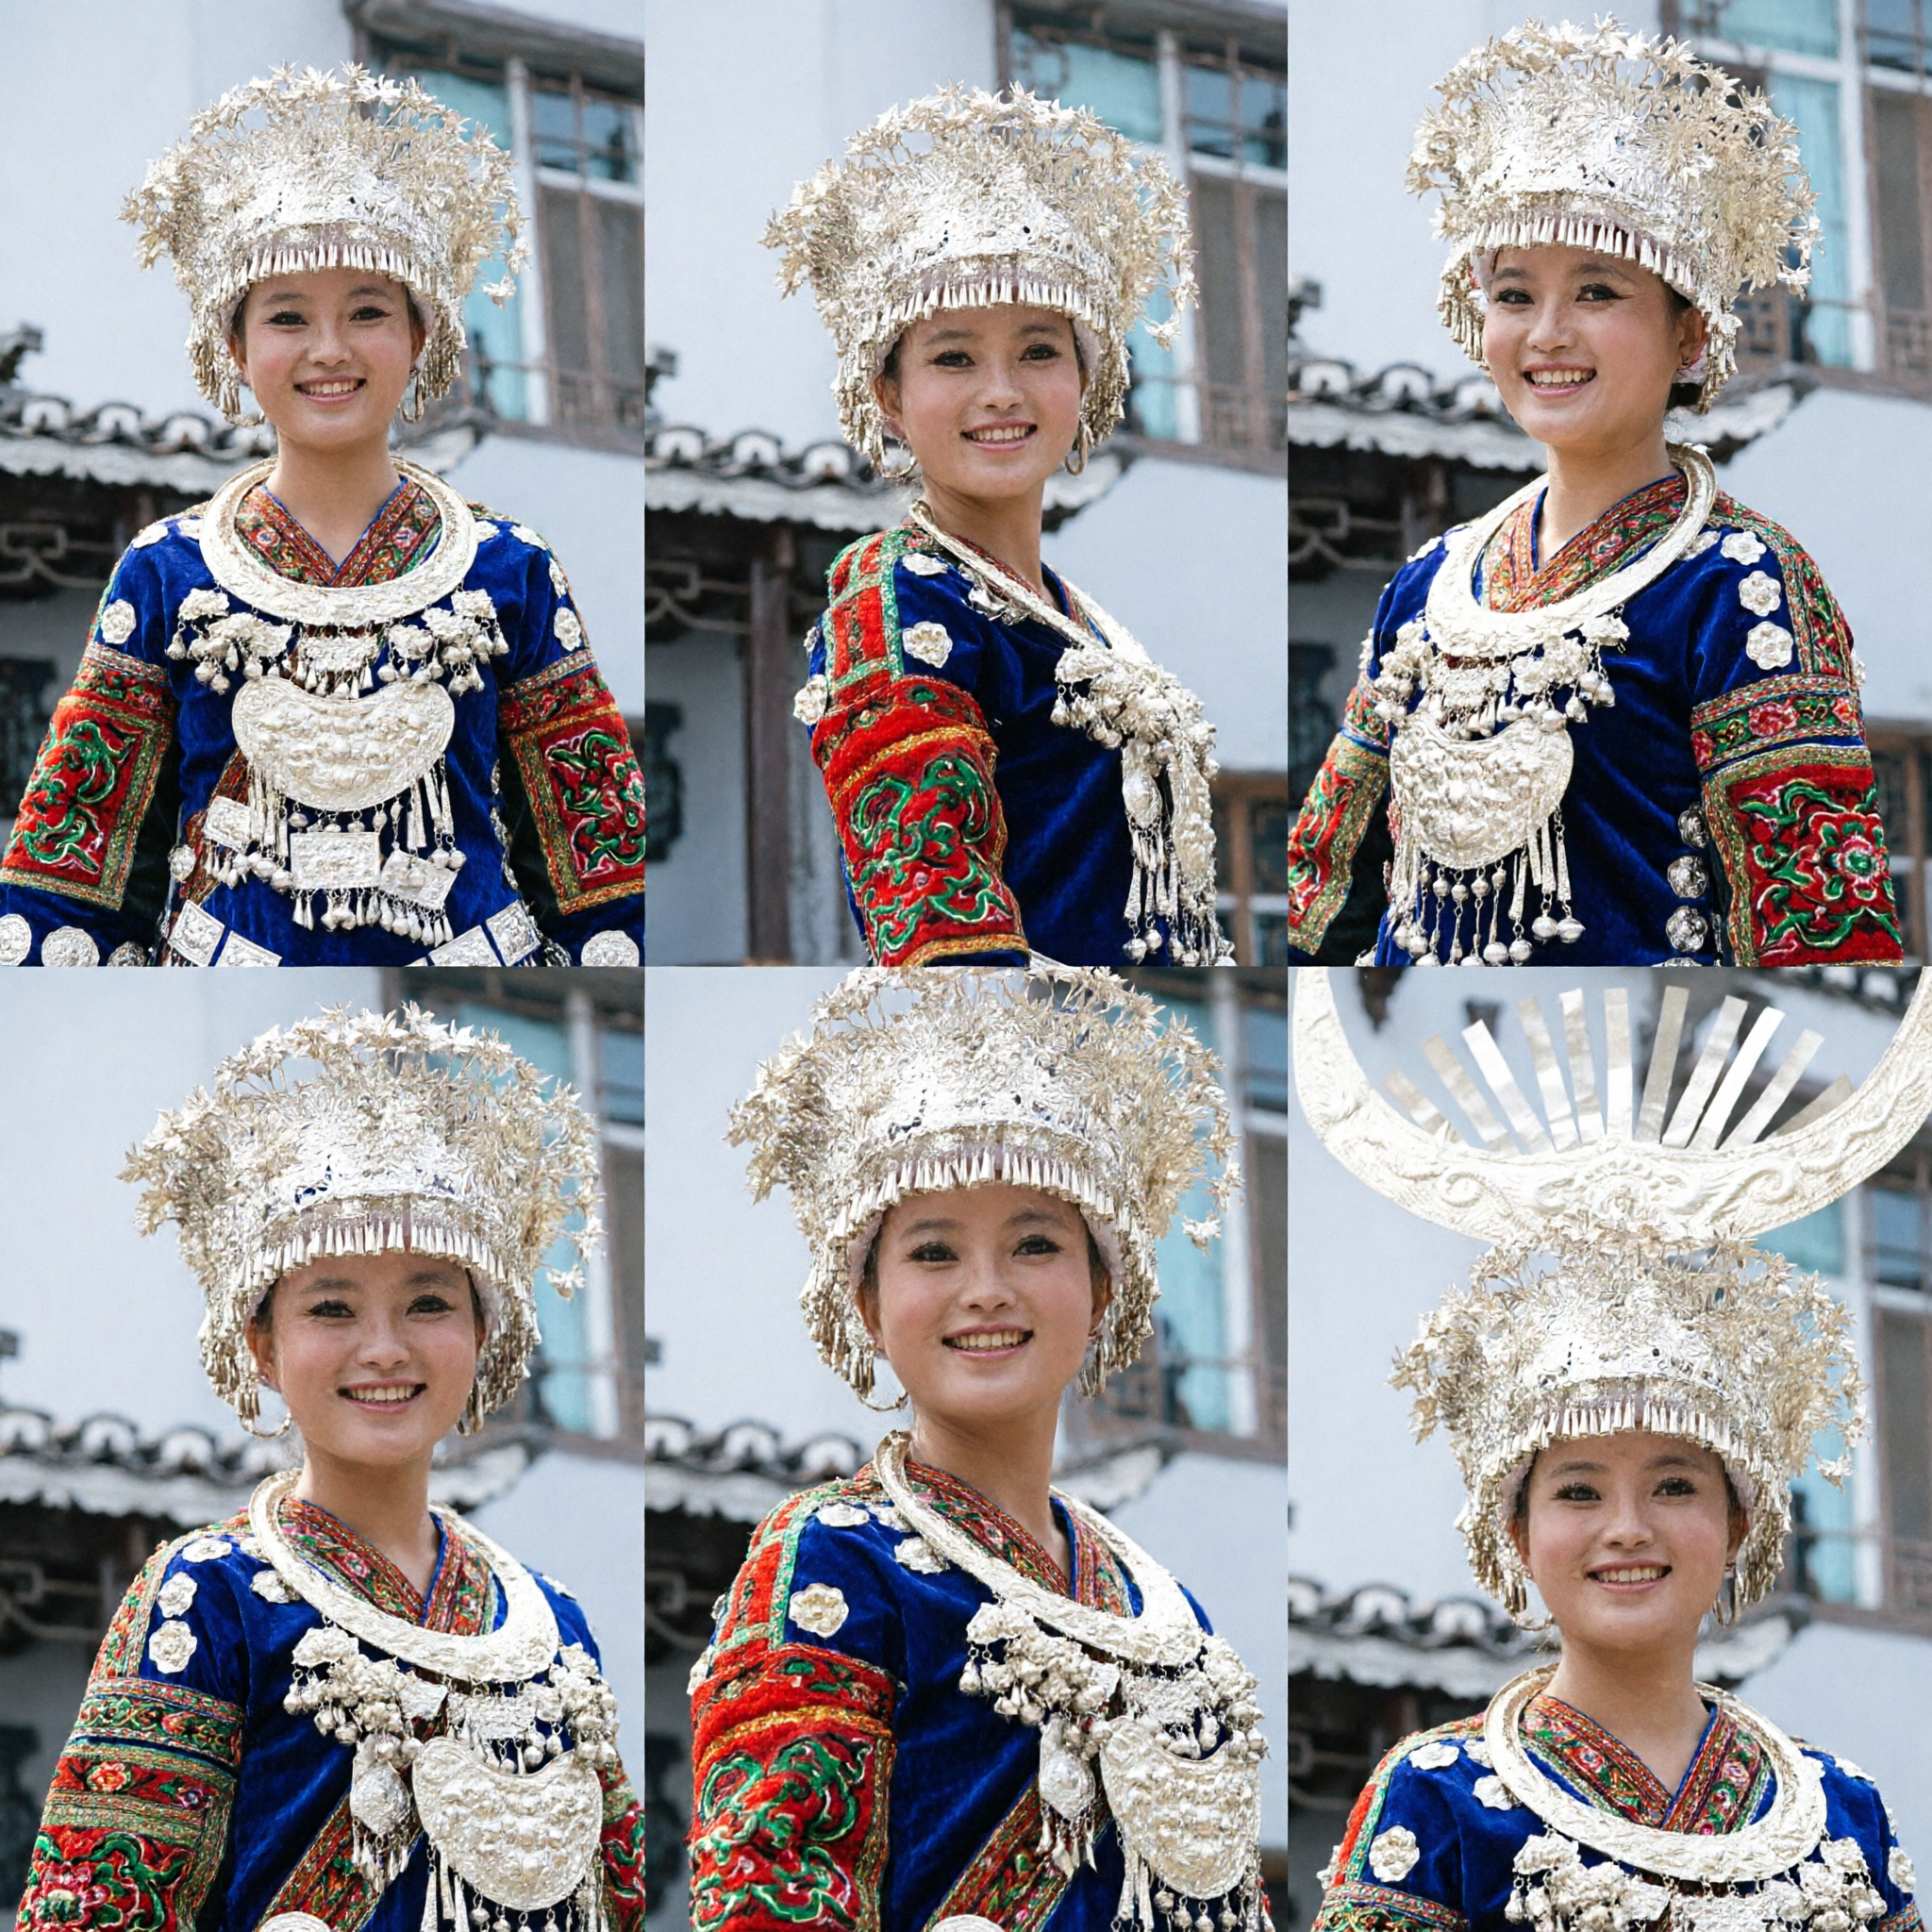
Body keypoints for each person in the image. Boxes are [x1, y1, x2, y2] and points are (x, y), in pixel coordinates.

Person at [1293, 968, 1929, 1932]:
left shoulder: (1842, 1813)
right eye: (1579, 1489)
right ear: (1513, 1526)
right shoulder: (1437, 1798)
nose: (1626, 1528)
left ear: (1739, 1516)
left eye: (1672, 1482)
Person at [1285, 22, 1902, 968]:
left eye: (1597, 291)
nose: (1547, 333)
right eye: (1513, 293)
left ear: (1688, 333)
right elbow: (1326, 889)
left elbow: (1820, 932)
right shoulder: (1423, 587)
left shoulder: (1742, 585)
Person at [0, 66, 645, 968]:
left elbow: (601, 873)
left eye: (368, 312)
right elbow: (71, 879)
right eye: (289, 317)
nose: (329, 351)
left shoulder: (512, 569)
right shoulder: (166, 573)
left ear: (421, 338)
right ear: (237, 345)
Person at [18, 1006, 647, 1928]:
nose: (384, 1347)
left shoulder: (553, 1620)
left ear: (483, 1333)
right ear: (261, 1346)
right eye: (332, 1307)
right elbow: (93, 1908)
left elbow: (616, 1896)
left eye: (428, 1300)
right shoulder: (205, 1594)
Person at [690, 968, 1270, 1928]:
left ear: (1102, 1285)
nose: (986, 1287)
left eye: (1034, 1243)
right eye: (932, 1250)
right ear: (869, 1305)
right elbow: (768, 1895)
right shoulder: (833, 1556)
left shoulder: (1163, 1611)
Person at [765, 87, 1230, 968]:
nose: (1002, 391)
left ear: (1088, 380)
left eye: (1039, 350)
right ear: (889, 399)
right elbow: (940, 937)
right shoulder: (897, 598)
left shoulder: (1071, 611)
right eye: (954, 357)